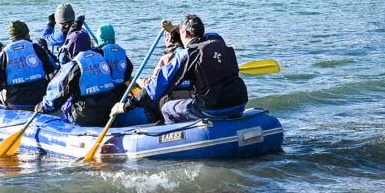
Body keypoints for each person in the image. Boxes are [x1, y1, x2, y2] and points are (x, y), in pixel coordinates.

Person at [111, 14, 248, 124]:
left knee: (167, 109)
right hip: (240, 103)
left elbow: (156, 87)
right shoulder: (217, 41)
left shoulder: (185, 56)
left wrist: (126, 106)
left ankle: (177, 140)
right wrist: (177, 30)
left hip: (213, 108)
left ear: (184, 33)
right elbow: (203, 36)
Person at [0, 21, 57, 109]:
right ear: (27, 33)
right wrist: (46, 49)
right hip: (40, 99)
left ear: (11, 36)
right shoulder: (37, 48)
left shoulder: (3, 54)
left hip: (16, 103)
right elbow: (53, 66)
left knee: (1, 92)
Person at [35, 35, 119, 127]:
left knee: (65, 102)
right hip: (109, 112)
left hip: (85, 116)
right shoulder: (102, 59)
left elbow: (58, 94)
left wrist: (41, 107)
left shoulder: (73, 66)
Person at [96, 24, 134, 99]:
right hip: (121, 90)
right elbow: (130, 67)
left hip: (105, 91)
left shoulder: (99, 52)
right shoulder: (120, 51)